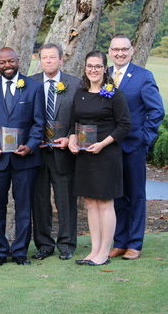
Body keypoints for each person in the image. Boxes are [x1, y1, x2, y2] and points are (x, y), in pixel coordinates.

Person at [0, 47, 45, 267]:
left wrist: (31, 145)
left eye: (11, 61)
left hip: (25, 159)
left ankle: (20, 252)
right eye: (2, 62)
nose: (7, 66)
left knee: (24, 206)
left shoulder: (34, 87)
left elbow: (39, 123)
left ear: (19, 61)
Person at [69, 50, 131, 266]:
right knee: (89, 202)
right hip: (85, 157)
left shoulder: (114, 94)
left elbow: (125, 125)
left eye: (97, 66)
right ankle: (93, 250)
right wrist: (72, 139)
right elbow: (72, 123)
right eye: (89, 66)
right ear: (85, 68)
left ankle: (104, 252)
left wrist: (103, 144)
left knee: (105, 203)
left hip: (106, 155)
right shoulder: (80, 93)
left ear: (105, 69)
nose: (93, 70)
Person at [107, 35, 165, 260]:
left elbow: (156, 111)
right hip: (110, 148)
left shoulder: (143, 76)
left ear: (132, 51)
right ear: (110, 52)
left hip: (134, 147)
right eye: (115, 49)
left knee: (136, 195)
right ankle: (119, 241)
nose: (120, 53)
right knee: (117, 196)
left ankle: (134, 243)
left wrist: (144, 138)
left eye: (124, 49)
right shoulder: (105, 76)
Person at [29, 43, 81, 261]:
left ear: (61, 60)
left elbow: (81, 116)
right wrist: (31, 139)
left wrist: (70, 136)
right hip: (37, 152)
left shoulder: (75, 83)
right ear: (40, 60)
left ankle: (67, 244)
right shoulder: (29, 83)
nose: (48, 61)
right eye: (44, 57)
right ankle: (44, 244)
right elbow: (23, 115)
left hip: (64, 152)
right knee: (39, 200)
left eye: (52, 57)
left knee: (65, 199)